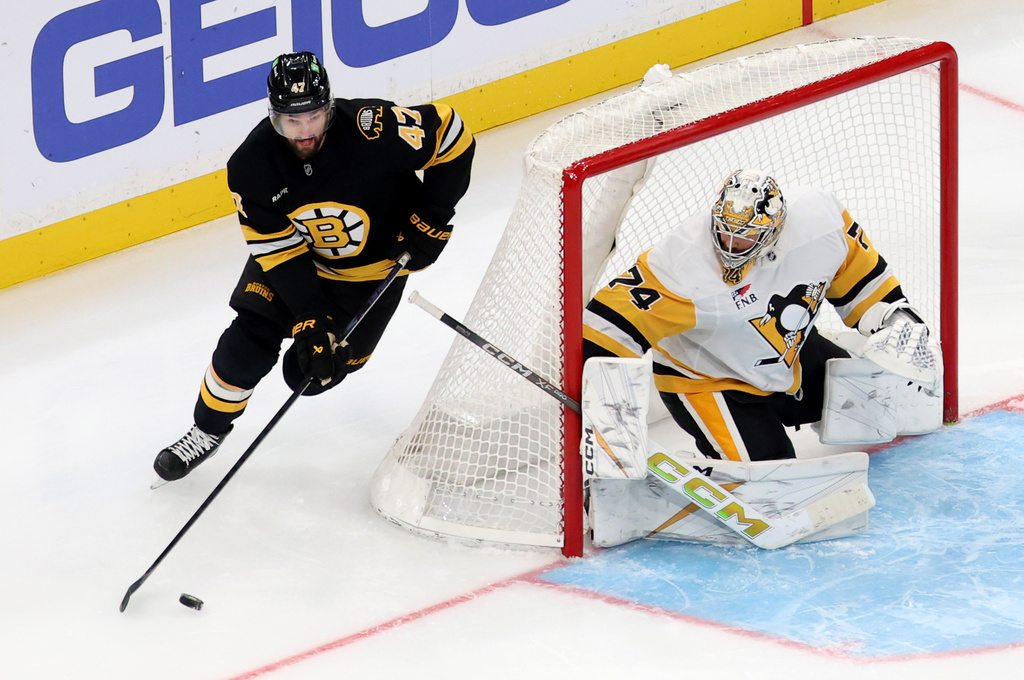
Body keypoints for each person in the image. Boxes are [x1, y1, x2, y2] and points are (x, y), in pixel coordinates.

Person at [154, 51, 475, 481]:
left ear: (329, 107)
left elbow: (453, 135)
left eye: (314, 117)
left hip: (370, 278)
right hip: (299, 263)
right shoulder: (252, 166)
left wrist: (432, 215)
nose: (305, 132)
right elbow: (279, 251)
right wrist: (309, 315)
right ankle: (206, 431)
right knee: (247, 342)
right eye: (292, 121)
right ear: (273, 116)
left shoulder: (372, 129)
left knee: (306, 374)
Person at [583, 168, 937, 462]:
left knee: (886, 402)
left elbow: (866, 287)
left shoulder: (820, 221)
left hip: (790, 353)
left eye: (745, 237)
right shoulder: (681, 263)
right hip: (710, 381)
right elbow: (603, 331)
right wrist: (606, 419)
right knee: (773, 483)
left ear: (774, 229)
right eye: (724, 232)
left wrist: (899, 325)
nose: (730, 246)